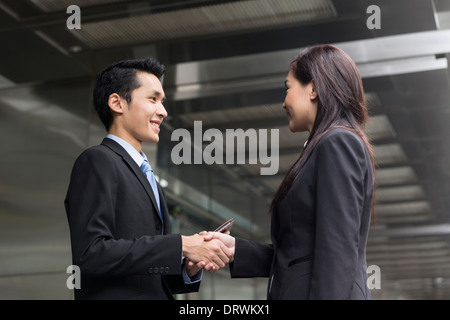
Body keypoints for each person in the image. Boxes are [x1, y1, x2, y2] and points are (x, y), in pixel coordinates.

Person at [203, 44, 376, 300]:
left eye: (288, 88)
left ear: (314, 88)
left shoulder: (337, 142)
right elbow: (298, 256)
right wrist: (236, 250)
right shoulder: (324, 146)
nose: (284, 101)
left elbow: (337, 250)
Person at [64, 57, 233, 300]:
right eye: (153, 99)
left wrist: (188, 265)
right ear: (117, 103)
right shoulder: (97, 160)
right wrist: (182, 245)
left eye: (162, 101)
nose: (163, 111)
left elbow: (150, 277)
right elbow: (92, 253)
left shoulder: (147, 175)